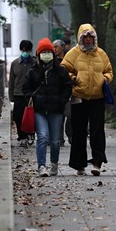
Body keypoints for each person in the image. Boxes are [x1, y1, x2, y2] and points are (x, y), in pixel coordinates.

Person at [61, 24, 113, 176]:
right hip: (79, 96)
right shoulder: (73, 53)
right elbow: (64, 69)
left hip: (98, 97)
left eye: (91, 37)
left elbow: (109, 70)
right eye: (85, 37)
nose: (88, 40)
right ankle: (79, 164)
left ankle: (97, 162)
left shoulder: (101, 54)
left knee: (97, 130)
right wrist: (74, 78)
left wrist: (105, 79)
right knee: (78, 131)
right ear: (81, 38)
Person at [23, 38, 72, 177]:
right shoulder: (33, 71)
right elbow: (25, 89)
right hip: (39, 110)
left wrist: (61, 100)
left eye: (48, 52)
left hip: (56, 109)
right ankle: (41, 166)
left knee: (55, 141)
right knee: (43, 137)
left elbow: (68, 86)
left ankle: (54, 164)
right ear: (38, 54)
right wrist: (32, 98)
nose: (46, 54)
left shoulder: (60, 71)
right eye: (43, 52)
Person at [9, 40, 37, 146]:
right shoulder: (15, 64)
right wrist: (11, 96)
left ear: (30, 50)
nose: (25, 51)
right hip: (18, 94)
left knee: (31, 116)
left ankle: (30, 134)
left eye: (28, 49)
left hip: (31, 94)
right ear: (21, 50)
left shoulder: (35, 63)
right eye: (24, 49)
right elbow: (11, 80)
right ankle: (22, 136)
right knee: (18, 116)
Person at [53, 39, 72, 147]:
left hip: (69, 92)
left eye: (56, 47)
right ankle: (59, 138)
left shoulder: (70, 59)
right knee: (59, 117)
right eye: (53, 47)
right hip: (56, 93)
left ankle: (70, 135)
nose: (54, 49)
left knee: (70, 115)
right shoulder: (53, 61)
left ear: (63, 47)